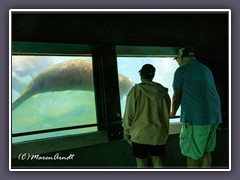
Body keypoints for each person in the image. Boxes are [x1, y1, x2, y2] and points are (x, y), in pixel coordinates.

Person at [170, 47, 222, 168]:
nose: (178, 61)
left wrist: (172, 113)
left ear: (182, 57)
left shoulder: (181, 71)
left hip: (197, 118)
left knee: (192, 153)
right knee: (206, 151)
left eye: (177, 59)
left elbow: (176, 97)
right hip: (214, 116)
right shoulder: (205, 69)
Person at [123, 64, 171, 168]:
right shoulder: (163, 92)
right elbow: (167, 112)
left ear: (141, 75)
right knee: (158, 160)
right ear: (153, 75)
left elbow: (129, 114)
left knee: (141, 162)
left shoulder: (135, 91)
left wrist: (127, 130)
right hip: (158, 134)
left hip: (139, 134)